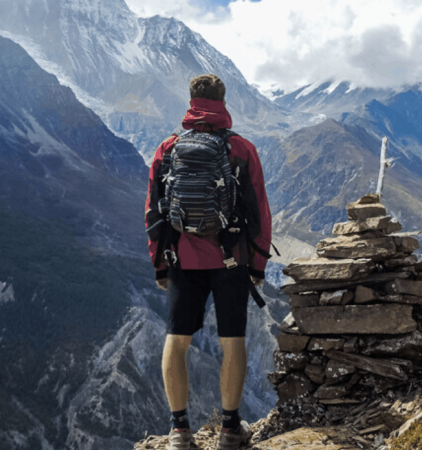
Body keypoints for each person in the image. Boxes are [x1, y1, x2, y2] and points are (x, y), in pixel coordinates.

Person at [145, 74, 272, 450]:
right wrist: (258, 265)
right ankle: (231, 429)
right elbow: (260, 212)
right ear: (224, 101)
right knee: (233, 341)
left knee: (177, 340)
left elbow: (153, 212)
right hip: (231, 259)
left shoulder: (168, 149)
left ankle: (179, 431)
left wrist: (159, 264)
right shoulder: (242, 149)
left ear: (190, 101)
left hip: (182, 259)